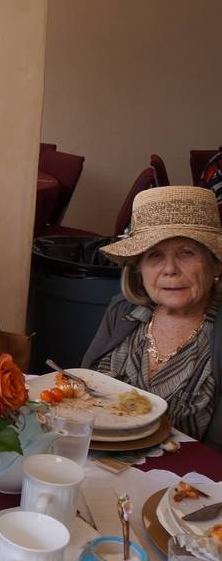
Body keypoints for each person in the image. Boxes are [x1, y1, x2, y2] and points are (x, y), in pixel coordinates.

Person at [82, 186, 222, 449]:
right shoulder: (122, 311)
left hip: (190, 483)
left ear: (215, 264)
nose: (170, 269)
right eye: (155, 255)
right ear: (139, 267)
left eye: (186, 253)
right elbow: (83, 390)